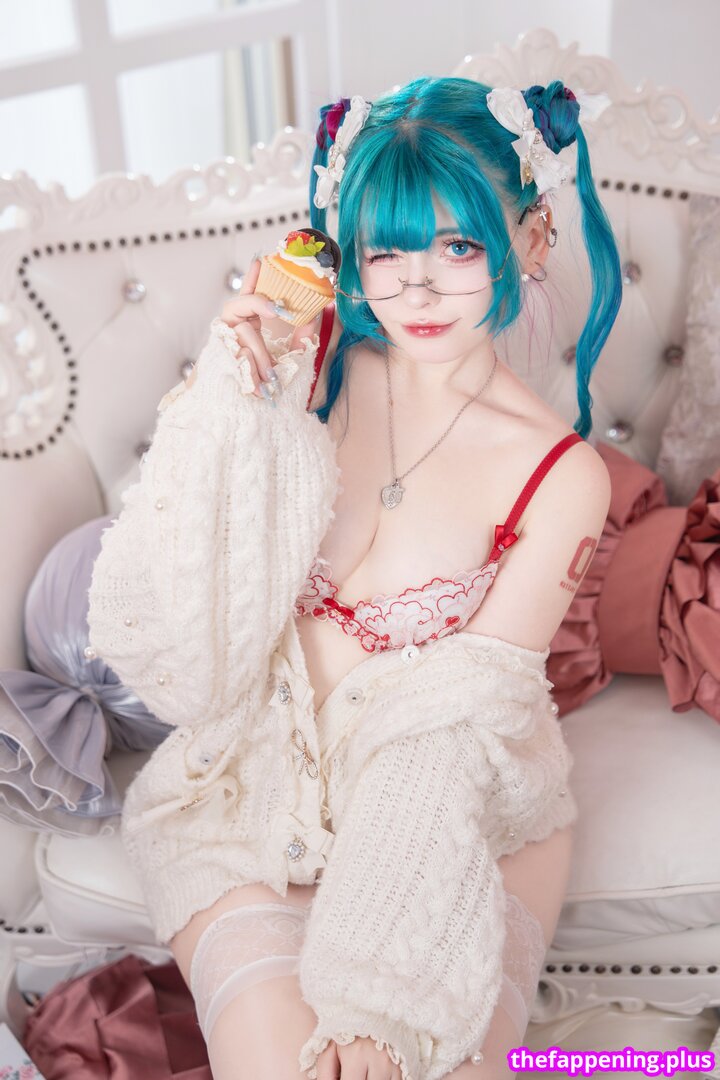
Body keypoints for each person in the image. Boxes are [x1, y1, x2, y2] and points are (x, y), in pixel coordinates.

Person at [87, 76, 621, 1080]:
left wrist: (378, 997)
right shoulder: (315, 364)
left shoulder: (561, 475)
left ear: (532, 237)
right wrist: (230, 401)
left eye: (457, 247)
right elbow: (181, 633)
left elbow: (457, 729)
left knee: (411, 1060)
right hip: (247, 793)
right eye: (386, 252)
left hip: (453, 813)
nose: (417, 289)